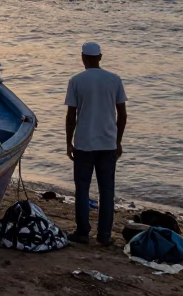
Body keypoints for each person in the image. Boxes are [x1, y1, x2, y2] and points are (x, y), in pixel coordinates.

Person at [65, 42, 128, 246]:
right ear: (100, 57)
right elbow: (122, 114)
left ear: (83, 57)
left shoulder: (76, 81)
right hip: (108, 143)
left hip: (84, 142)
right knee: (107, 190)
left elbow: (71, 116)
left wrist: (68, 142)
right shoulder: (114, 79)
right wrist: (118, 141)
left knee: (82, 189)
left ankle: (83, 233)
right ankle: (105, 235)